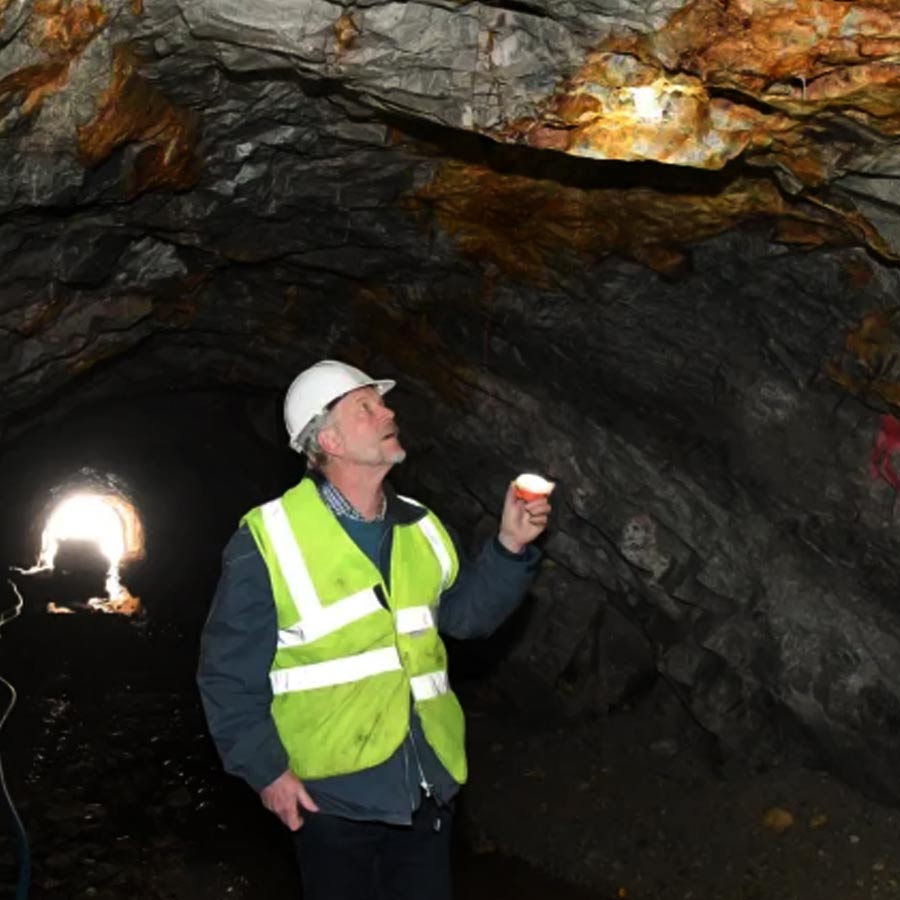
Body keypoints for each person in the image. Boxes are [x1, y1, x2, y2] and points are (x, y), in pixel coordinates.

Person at [197, 359, 552, 900]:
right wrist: (266, 772)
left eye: (381, 402)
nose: (388, 411)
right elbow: (227, 673)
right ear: (330, 441)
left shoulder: (421, 525)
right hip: (332, 799)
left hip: (427, 784)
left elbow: (465, 618)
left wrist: (509, 546)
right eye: (365, 407)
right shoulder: (269, 538)